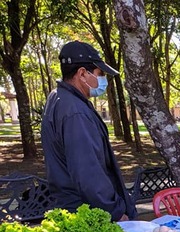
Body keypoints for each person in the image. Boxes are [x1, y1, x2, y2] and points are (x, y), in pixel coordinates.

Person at [41, 41, 136, 222]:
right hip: (89, 212)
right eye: (100, 74)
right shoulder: (74, 111)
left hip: (73, 208)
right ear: (82, 73)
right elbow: (88, 173)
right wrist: (116, 212)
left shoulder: (59, 98)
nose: (102, 81)